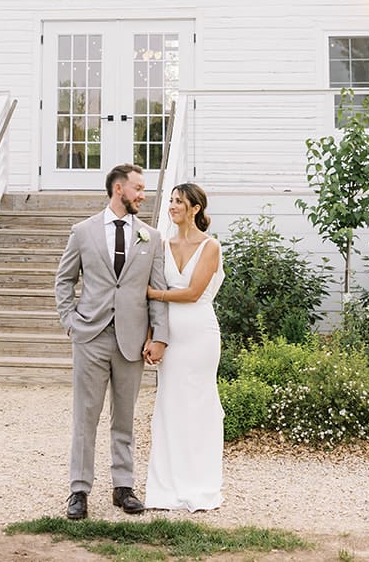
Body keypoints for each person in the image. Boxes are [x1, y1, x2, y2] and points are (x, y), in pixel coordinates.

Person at [54, 162, 170, 520]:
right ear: (119, 189)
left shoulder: (152, 237)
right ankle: (79, 490)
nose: (143, 194)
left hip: (132, 341)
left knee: (125, 418)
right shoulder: (83, 232)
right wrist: (70, 322)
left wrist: (159, 337)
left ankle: (124, 487)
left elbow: (158, 291)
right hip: (91, 337)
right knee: (85, 417)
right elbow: (64, 280)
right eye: (138, 188)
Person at [143, 182, 224, 511]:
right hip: (169, 337)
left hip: (200, 335)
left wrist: (154, 293)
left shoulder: (211, 246)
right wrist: (152, 336)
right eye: (171, 201)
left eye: (179, 202)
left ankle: (200, 482)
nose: (172, 206)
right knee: (169, 404)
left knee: (199, 405)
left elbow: (192, 293)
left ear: (195, 209)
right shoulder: (161, 244)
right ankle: (167, 485)